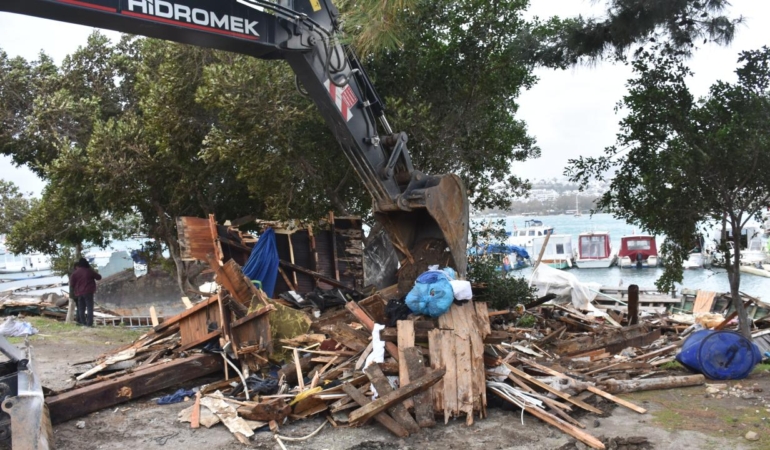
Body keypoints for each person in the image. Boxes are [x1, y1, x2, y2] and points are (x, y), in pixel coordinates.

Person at [69, 258, 102, 327]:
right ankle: (89, 324)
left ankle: (83, 323)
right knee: (89, 308)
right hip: (88, 292)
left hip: (79, 293)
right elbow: (99, 277)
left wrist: (77, 287)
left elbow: (72, 284)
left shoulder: (75, 273)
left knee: (81, 308)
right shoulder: (89, 271)